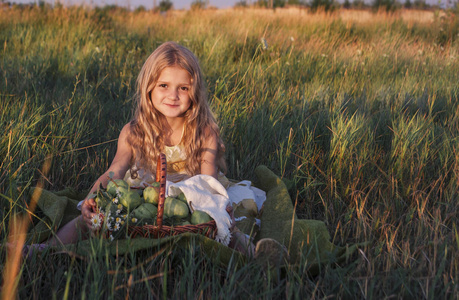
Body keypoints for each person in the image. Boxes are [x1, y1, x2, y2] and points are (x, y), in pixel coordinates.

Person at [41, 41, 256, 255]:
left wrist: (217, 208)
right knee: (87, 221)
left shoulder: (204, 131)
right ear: (149, 88)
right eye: (164, 85)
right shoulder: (134, 132)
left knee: (223, 227)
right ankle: (44, 249)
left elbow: (208, 182)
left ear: (195, 92)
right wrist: (91, 199)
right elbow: (114, 170)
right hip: (143, 198)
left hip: (190, 201)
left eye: (183, 88)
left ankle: (257, 255)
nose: (173, 96)